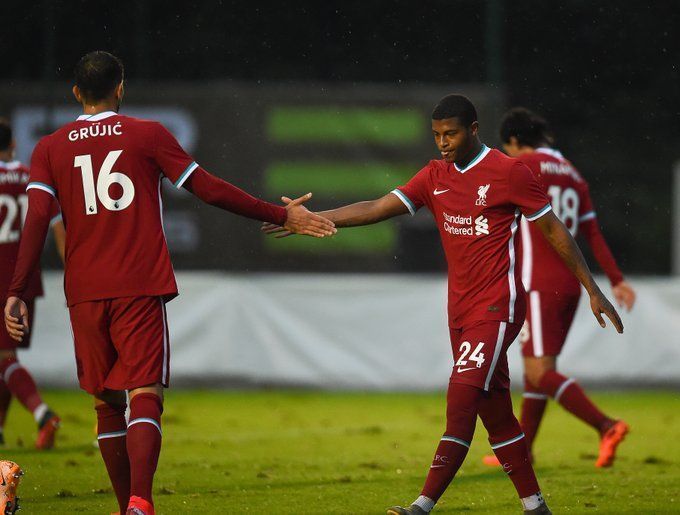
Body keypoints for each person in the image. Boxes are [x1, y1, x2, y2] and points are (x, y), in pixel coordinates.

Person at [3, 50, 335, 515]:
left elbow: (38, 219)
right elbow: (208, 188)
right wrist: (282, 214)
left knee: (106, 405)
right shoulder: (147, 135)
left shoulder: (49, 147)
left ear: (75, 93)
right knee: (145, 394)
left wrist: (16, 290)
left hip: (84, 290)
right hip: (138, 283)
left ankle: (127, 508)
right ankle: (140, 503)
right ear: (121, 87)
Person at [264, 94, 623, 514]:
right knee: (497, 415)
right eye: (436, 135)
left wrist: (593, 288)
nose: (442, 143)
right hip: (460, 313)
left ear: (473, 130)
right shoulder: (434, 175)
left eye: (450, 133)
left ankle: (422, 506)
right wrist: (315, 218)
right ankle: (535, 507)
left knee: (461, 398)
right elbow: (377, 206)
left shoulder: (509, 172)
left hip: (498, 305)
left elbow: (553, 229)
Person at [479, 107, 635, 468]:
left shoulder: (524, 166)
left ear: (515, 142)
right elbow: (592, 232)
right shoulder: (573, 173)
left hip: (537, 283)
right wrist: (616, 280)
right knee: (540, 368)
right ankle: (524, 451)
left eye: (509, 147)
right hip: (572, 283)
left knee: (537, 372)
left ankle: (605, 424)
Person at [0, 119, 65, 450]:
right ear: (13, 145)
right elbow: (56, 225)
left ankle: (43, 414)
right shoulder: (31, 178)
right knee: (5, 358)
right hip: (26, 281)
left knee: (5, 358)